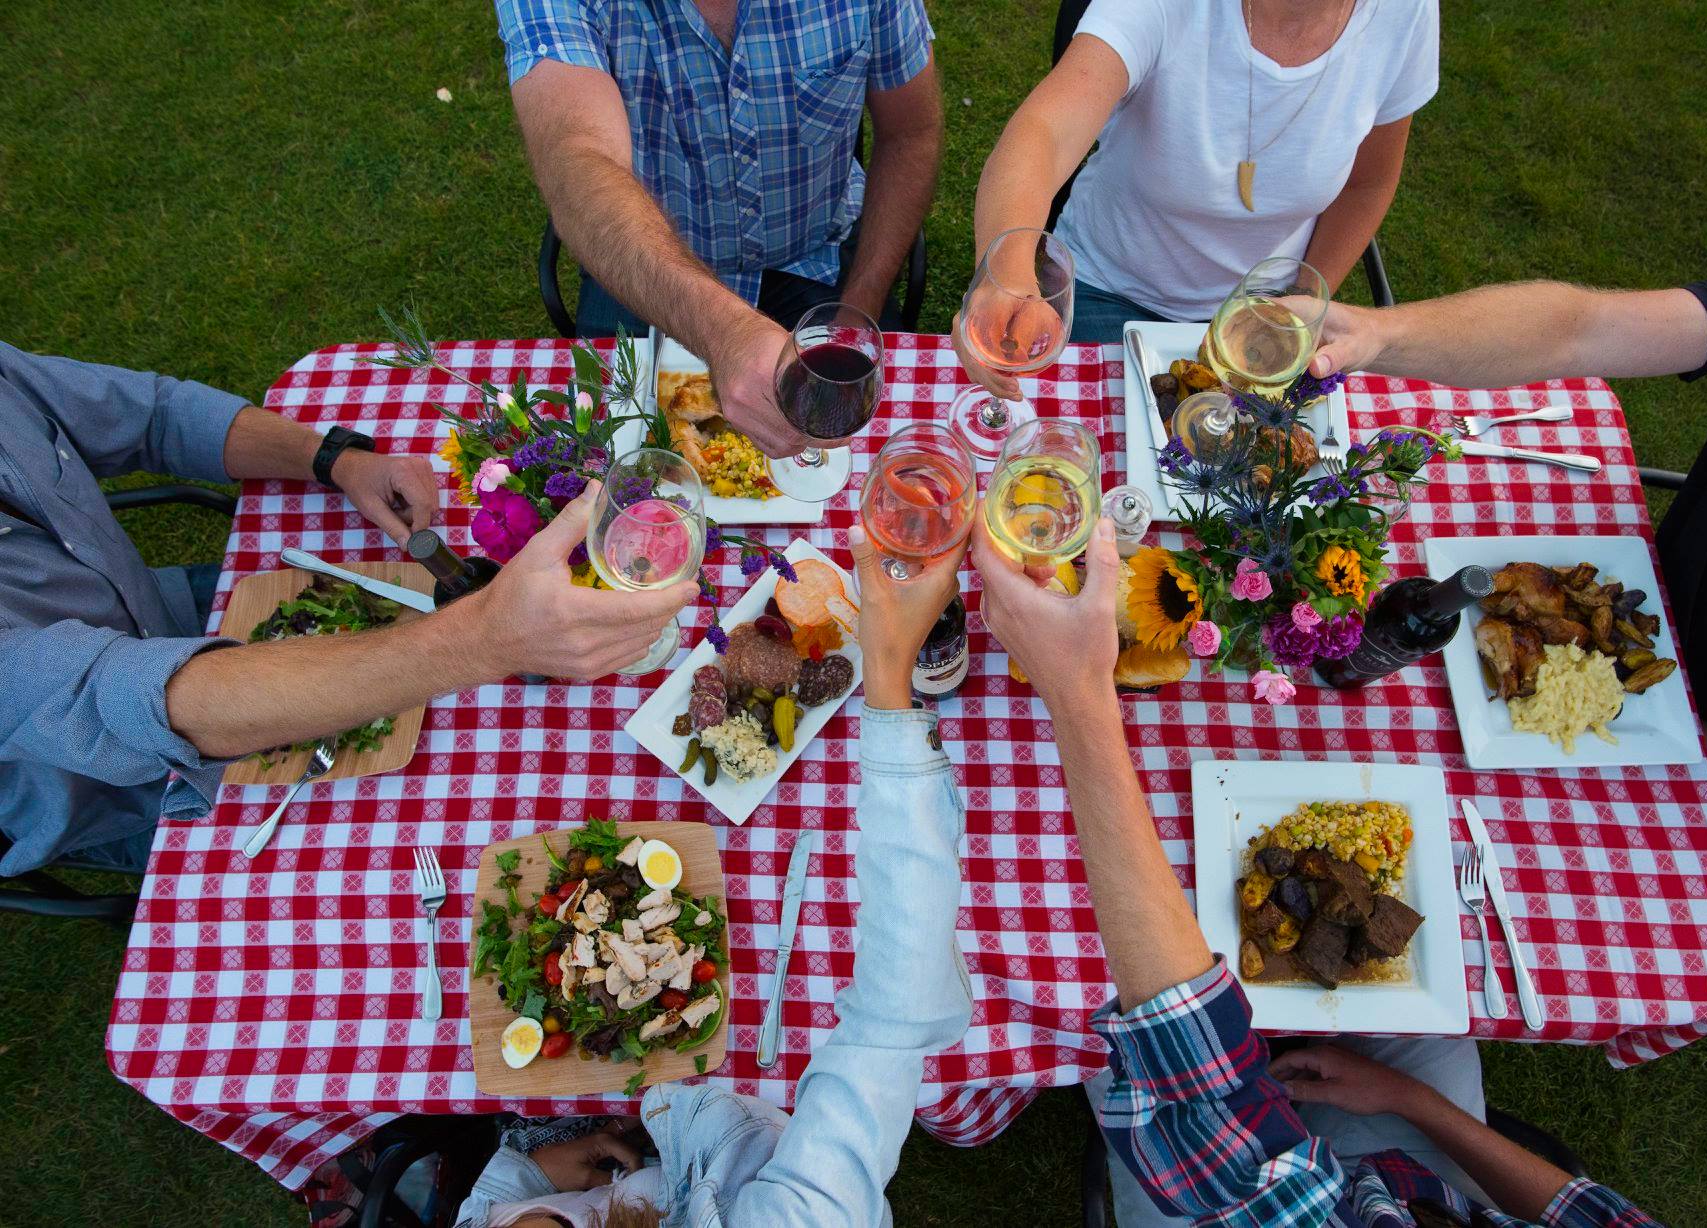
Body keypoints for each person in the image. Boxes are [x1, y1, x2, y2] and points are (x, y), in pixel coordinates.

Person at [970, 513, 1665, 1226]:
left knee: (1087, 992)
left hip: (1225, 1193)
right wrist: (1406, 1099)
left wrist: (1077, 693)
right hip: (1418, 1178)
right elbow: (1584, 1210)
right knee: (1425, 1024)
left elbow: (1200, 1102)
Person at [0, 343, 698, 875]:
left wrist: (334, 458)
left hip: (177, 609)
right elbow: (136, 704)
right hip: (134, 785)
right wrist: (485, 640)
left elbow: (149, 414)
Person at [453, 526, 974, 1228]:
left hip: (634, 1145)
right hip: (741, 1134)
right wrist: (887, 675)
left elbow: (483, 1212)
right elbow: (899, 1011)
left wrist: (525, 1179)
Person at [1305, 256, 1707, 837]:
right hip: (1650, 600)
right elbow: (1582, 326)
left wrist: (1678, 731)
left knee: (1534, 841)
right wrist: (1380, 334)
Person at [494, 0, 943, 457]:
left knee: (887, 469)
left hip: (817, 261)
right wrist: (725, 332)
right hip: (641, 266)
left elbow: (910, 133)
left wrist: (852, 318)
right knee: (602, 473)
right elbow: (577, 165)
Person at [959, 0, 1438, 387]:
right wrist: (1006, 276)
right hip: (1107, 289)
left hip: (1265, 311)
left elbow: (1367, 183)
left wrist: (1302, 306)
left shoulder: (1407, 12)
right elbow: (1044, 131)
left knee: (1251, 496)